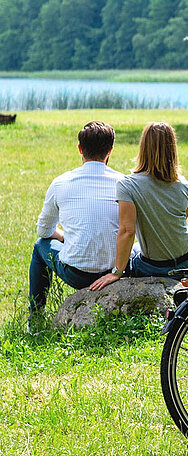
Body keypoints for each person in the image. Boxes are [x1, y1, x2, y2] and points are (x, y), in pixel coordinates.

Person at [28, 121, 123, 327]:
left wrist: (63, 237)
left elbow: (43, 231)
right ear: (110, 150)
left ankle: (35, 316)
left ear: (80, 149)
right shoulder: (124, 183)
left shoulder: (61, 182)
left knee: (39, 246)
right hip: (115, 270)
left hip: (76, 274)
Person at [90, 121, 188, 291]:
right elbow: (181, 220)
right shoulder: (184, 185)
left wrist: (116, 272)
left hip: (155, 267)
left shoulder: (127, 185)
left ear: (143, 147)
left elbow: (127, 231)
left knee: (134, 253)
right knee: (137, 248)